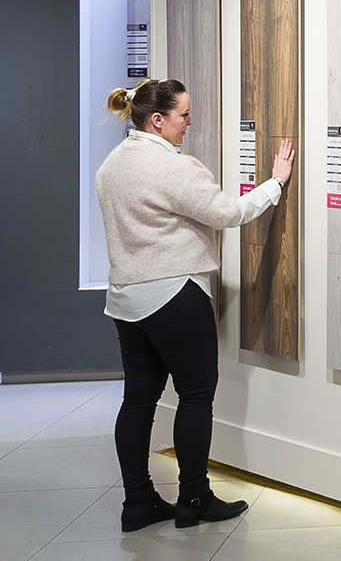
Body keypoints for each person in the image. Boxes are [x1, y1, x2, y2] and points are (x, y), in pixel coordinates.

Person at [95, 78, 295, 532]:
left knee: (138, 401)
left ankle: (138, 503)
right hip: (172, 296)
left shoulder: (111, 165)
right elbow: (227, 214)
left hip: (126, 299)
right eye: (184, 115)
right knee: (196, 395)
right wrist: (275, 183)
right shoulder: (171, 168)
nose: (190, 122)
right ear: (158, 119)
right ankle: (193, 499)